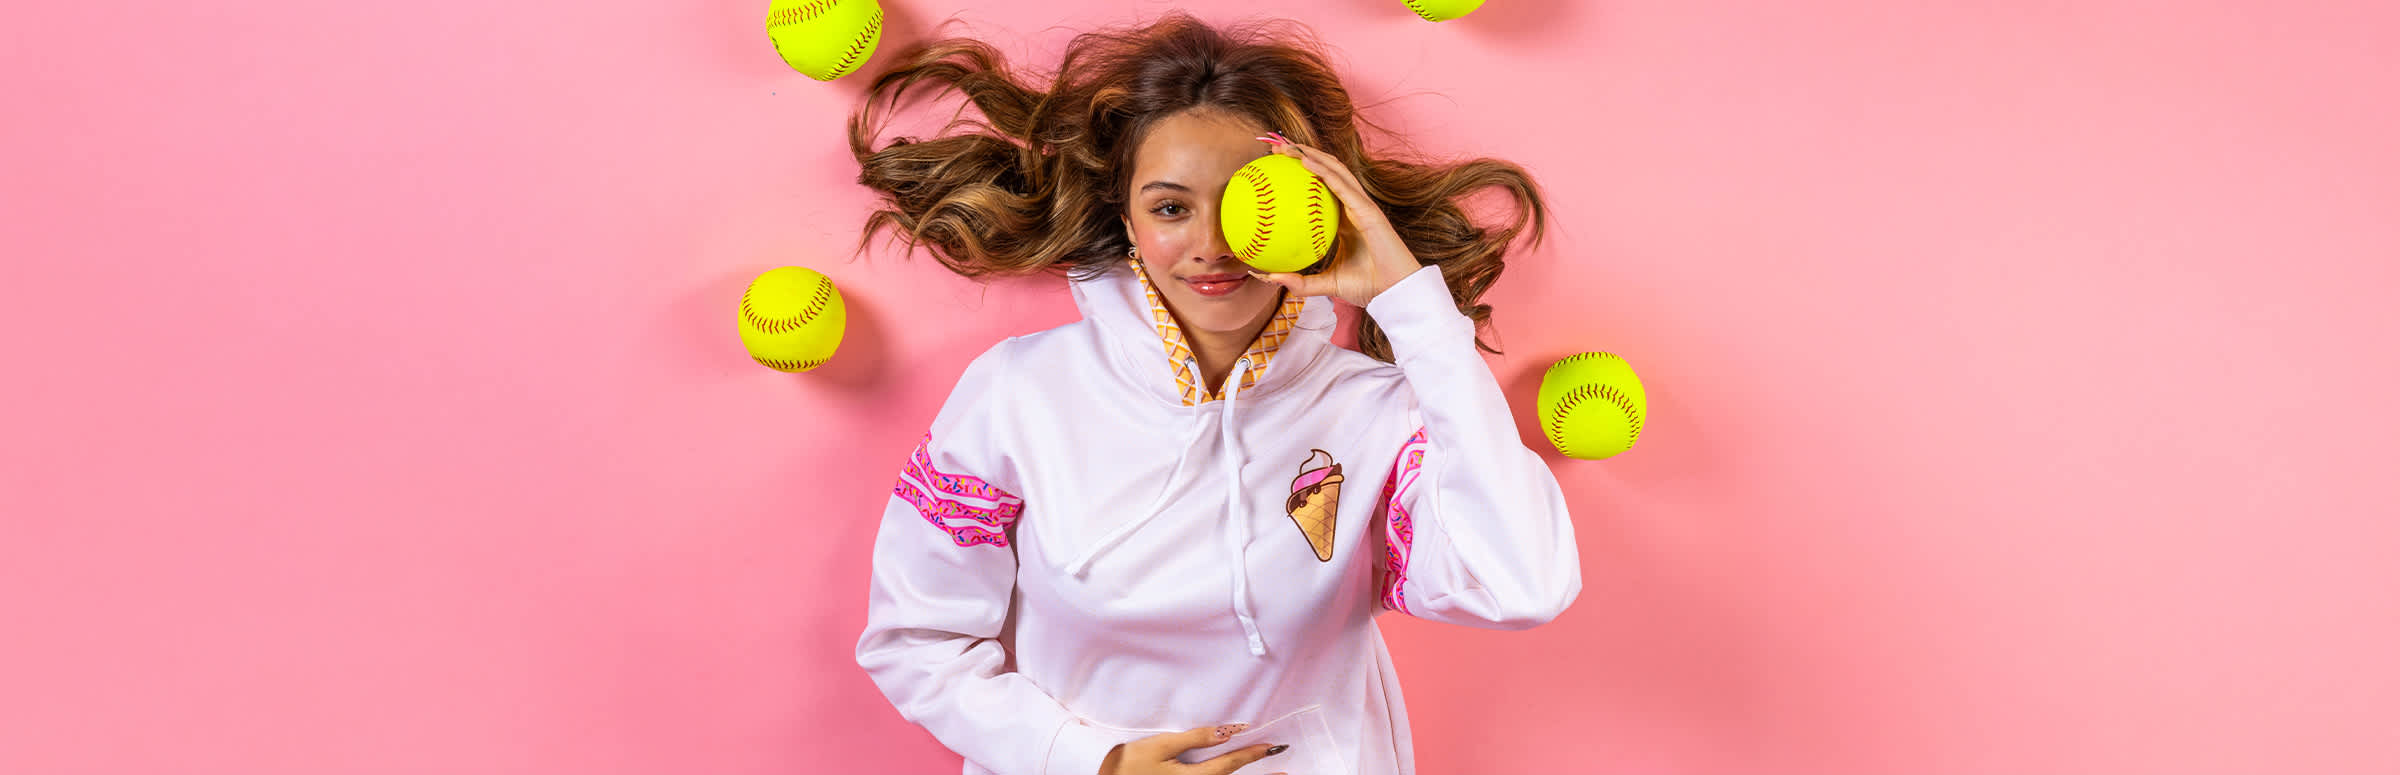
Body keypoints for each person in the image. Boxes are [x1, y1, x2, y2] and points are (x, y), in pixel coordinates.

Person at [847, 12, 1581, 775]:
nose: (1212, 245)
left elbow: (1521, 585)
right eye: (1171, 206)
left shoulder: (1382, 411)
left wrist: (1410, 307)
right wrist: (1091, 760)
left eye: (1243, 202)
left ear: (1316, 205)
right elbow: (915, 641)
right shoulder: (1016, 393)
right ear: (1127, 221)